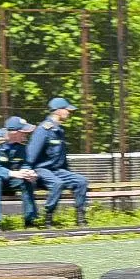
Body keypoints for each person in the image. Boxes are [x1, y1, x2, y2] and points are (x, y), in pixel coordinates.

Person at [25, 97, 91, 227]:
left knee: (81, 181)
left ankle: (81, 218)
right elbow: (31, 154)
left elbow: (61, 157)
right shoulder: (43, 130)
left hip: (57, 171)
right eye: (67, 110)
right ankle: (48, 217)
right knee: (57, 183)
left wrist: (68, 173)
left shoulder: (59, 130)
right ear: (58, 111)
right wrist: (27, 172)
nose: (69, 113)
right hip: (41, 170)